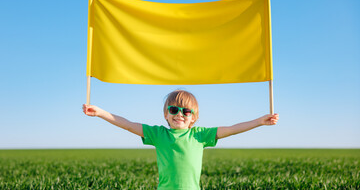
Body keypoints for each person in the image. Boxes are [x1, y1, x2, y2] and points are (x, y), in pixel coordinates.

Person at [82, 90, 279, 190]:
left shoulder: (200, 135)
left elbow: (233, 129)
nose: (180, 115)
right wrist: (101, 113)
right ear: (166, 115)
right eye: (174, 110)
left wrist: (259, 121)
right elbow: (128, 124)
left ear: (194, 117)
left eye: (186, 111)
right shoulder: (159, 134)